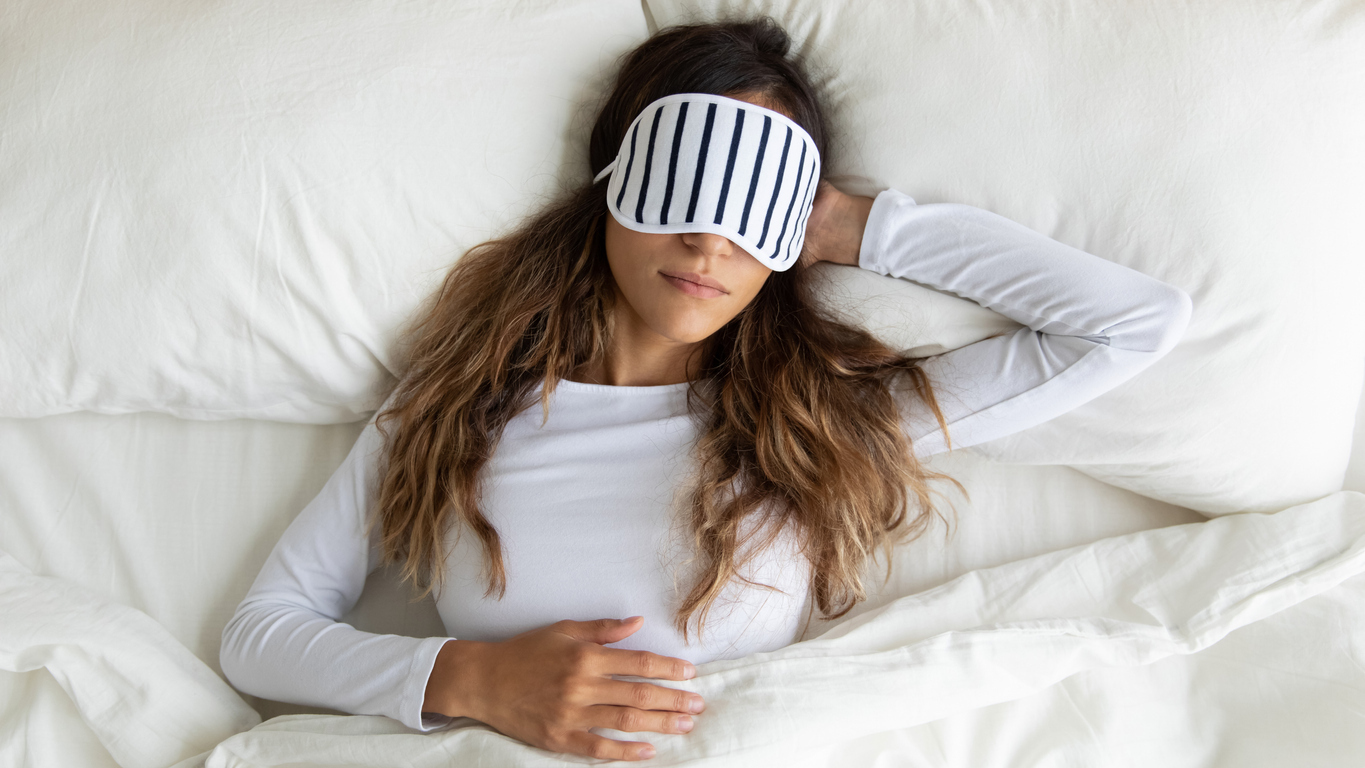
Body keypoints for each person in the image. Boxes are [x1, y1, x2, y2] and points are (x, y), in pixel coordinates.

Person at [220, 16, 1192, 763]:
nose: (709, 242)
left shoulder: (821, 426)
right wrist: (466, 677)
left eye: (749, 204)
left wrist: (856, 228)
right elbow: (261, 635)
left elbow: (1129, 324)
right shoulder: (455, 414)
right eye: (684, 183)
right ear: (612, 178)